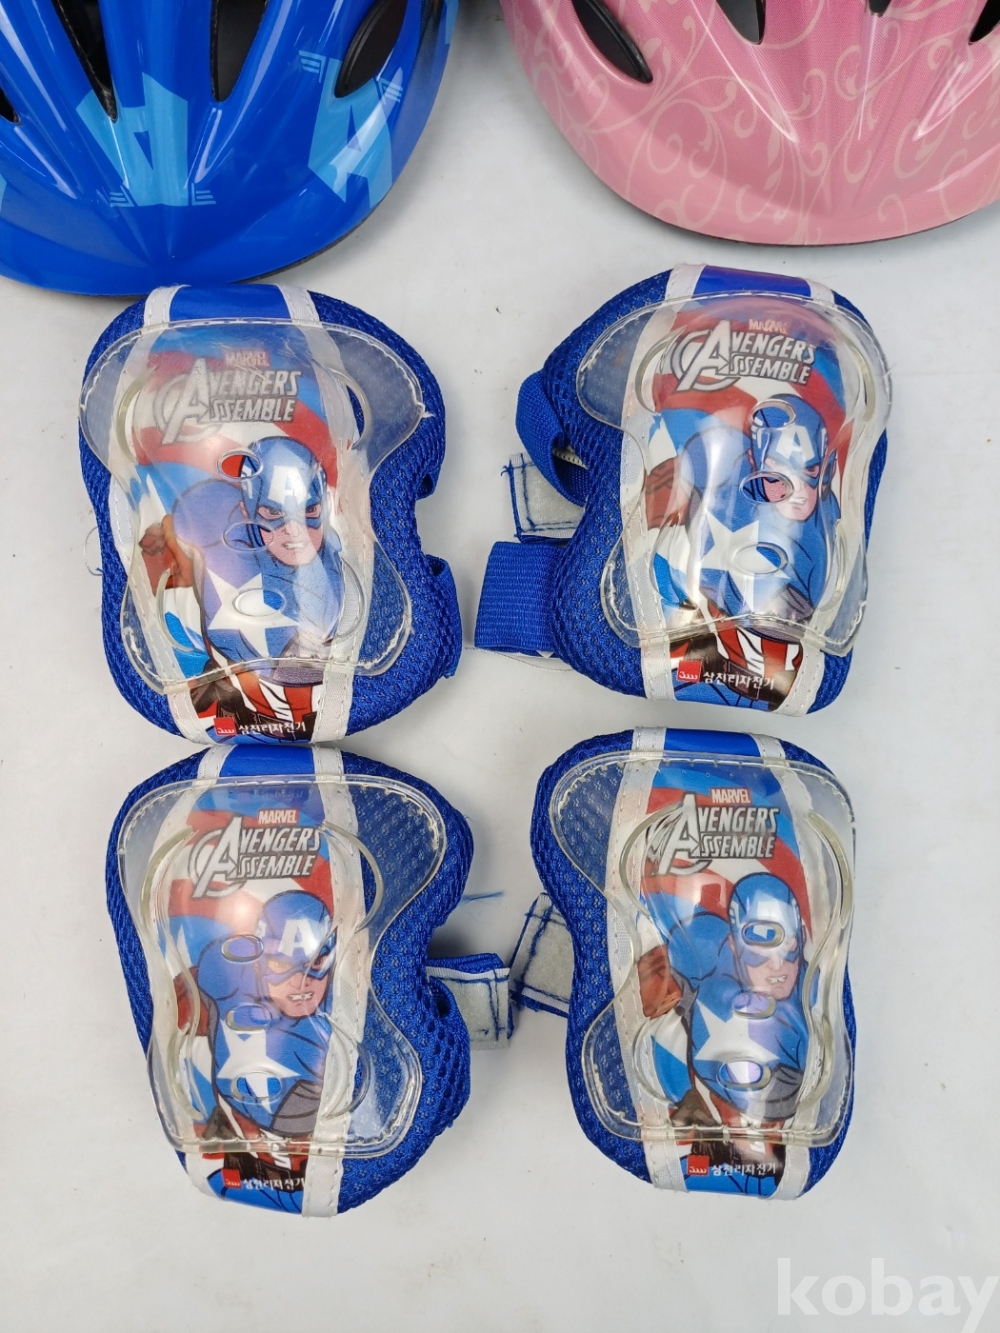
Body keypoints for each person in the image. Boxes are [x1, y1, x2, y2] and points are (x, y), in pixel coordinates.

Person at [139, 435, 345, 737]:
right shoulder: (211, 518)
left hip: (286, 689)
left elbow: (302, 668)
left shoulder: (330, 580)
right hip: (224, 678)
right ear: (247, 511)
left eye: (309, 511)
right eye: (273, 514)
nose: (294, 531)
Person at [645, 394, 838, 709]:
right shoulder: (719, 461)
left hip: (760, 648)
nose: (798, 492)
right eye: (778, 468)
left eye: (810, 471)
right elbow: (681, 429)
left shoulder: (818, 540)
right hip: (691, 617)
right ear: (755, 460)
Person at [636, 869, 809, 1195]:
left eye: (790, 944)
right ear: (733, 943)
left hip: (767, 1123)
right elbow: (638, 994)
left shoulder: (806, 1003)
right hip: (701, 1105)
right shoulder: (704, 951)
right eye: (761, 938)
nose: (777, 964)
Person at [191, 891, 336, 1208]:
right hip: (236, 1123)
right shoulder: (224, 973)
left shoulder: (339, 1004)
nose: (301, 982)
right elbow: (177, 1002)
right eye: (281, 963)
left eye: (315, 963)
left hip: (306, 1136)